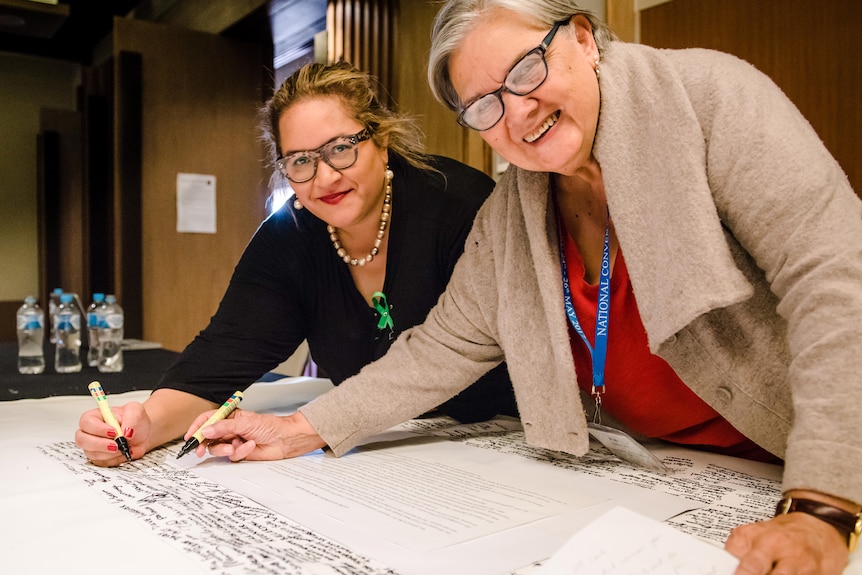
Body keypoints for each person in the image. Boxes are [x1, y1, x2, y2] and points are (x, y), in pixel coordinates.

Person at [177, 1, 861, 573]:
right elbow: (443, 345)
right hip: (680, 477)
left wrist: (822, 502)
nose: (517, 111)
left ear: (584, 38)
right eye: (484, 105)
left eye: (527, 68)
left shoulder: (713, 100)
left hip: (818, 464)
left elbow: (835, 273)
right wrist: (303, 427)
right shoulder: (514, 208)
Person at [75, 61, 518, 466]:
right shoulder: (288, 237)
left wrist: (300, 429)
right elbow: (217, 361)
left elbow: (459, 353)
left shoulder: (459, 205)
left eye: (341, 149)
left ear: (381, 141)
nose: (324, 177)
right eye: (301, 161)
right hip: (372, 458)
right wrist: (147, 425)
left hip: (502, 447)